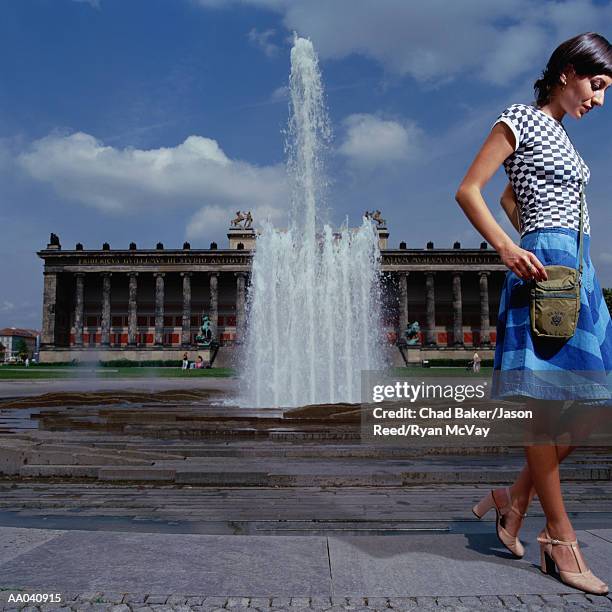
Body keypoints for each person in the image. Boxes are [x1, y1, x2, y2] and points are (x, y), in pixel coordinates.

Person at [456, 32, 612, 596]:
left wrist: (534, 228)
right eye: (596, 85)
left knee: (600, 402)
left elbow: (508, 197)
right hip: (546, 274)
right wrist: (512, 246)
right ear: (568, 71)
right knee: (542, 411)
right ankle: (560, 537)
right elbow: (472, 190)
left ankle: (513, 498)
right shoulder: (519, 118)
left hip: (580, 271)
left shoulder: (565, 136)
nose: (599, 100)